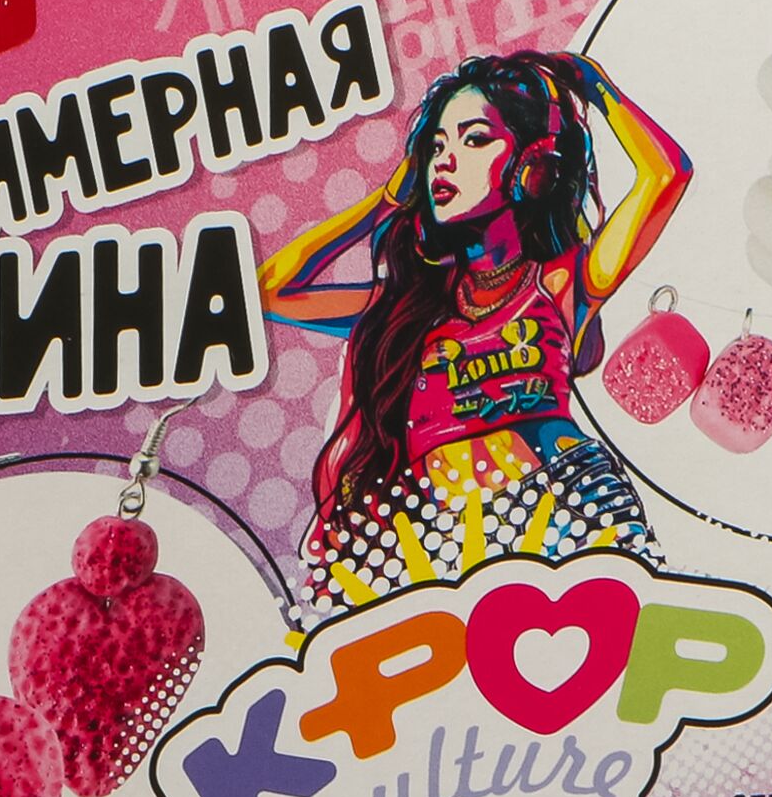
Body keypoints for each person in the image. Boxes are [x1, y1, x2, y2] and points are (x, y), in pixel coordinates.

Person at [258, 49, 692, 610]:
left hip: (567, 507)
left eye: (474, 140)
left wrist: (597, 86)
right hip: (434, 536)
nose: (445, 162)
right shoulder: (407, 305)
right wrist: (387, 201)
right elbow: (273, 291)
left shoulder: (559, 283)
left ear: (532, 169)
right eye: (436, 147)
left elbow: (666, 174)